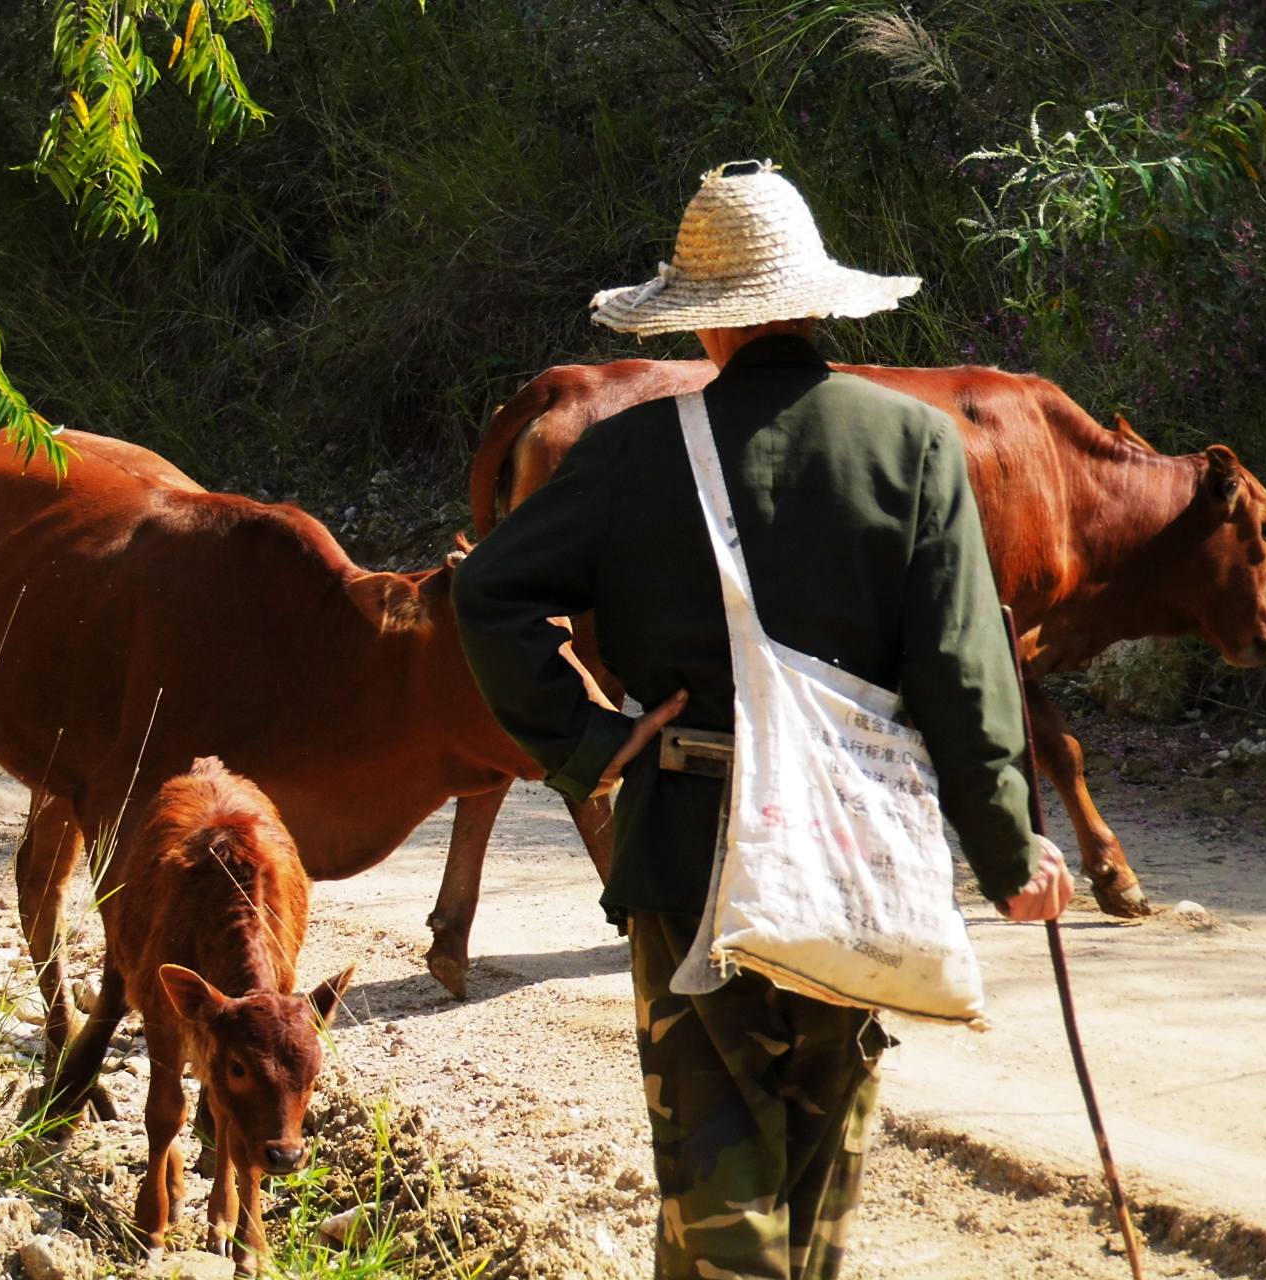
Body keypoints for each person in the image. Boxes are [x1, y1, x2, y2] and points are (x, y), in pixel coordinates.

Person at [451, 161, 1073, 1280]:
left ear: (708, 323)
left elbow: (485, 591)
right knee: (817, 1180)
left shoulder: (633, 453)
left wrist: (591, 742)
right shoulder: (913, 446)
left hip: (689, 844)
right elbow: (965, 672)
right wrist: (1007, 845)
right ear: (814, 301)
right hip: (855, 857)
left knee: (716, 1195)